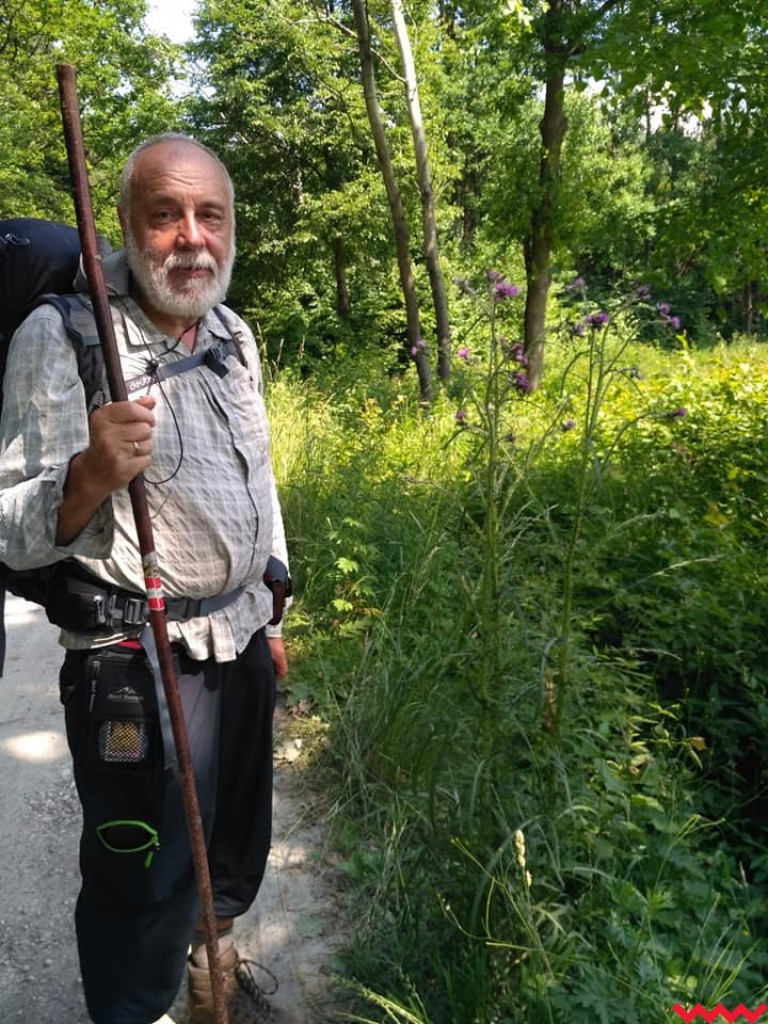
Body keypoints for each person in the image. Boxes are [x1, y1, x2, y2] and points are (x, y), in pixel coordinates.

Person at [0, 134, 290, 1024]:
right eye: (165, 215)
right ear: (124, 228)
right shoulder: (66, 334)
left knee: (230, 849)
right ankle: (137, 1009)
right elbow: (10, 529)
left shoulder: (233, 334)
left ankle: (209, 986)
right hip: (137, 656)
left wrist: (273, 615)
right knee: (141, 874)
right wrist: (90, 473)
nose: (190, 237)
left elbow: (260, 482)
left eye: (210, 215)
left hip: (237, 641)